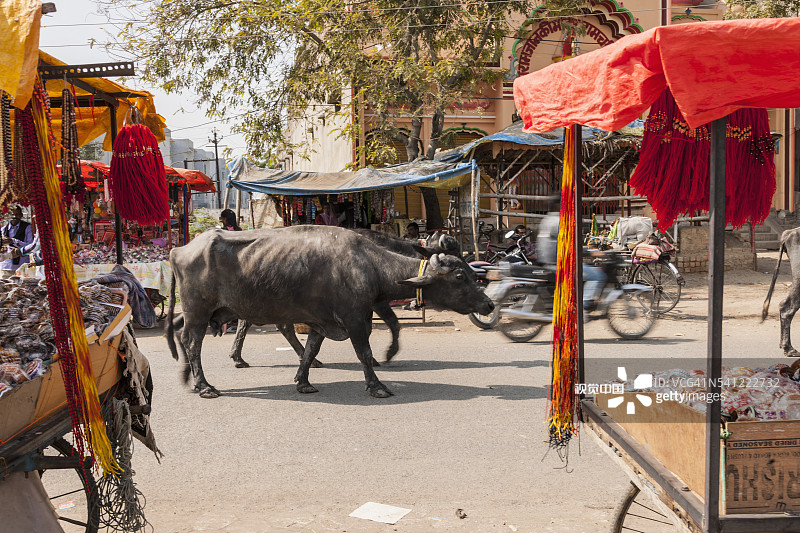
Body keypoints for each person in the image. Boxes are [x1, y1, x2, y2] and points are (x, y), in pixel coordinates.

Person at [535, 196, 606, 311]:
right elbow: (570, 246)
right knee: (597, 276)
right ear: (559, 205)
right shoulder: (560, 221)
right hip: (559, 262)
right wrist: (590, 253)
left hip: (546, 260)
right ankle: (583, 307)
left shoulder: (547, 219)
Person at [0, 205, 33, 279]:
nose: (14, 216)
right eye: (12, 214)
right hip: (6, 267)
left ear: (21, 215)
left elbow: (30, 246)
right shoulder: (3, 229)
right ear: (8, 215)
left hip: (21, 267)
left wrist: (13, 241)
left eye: (17, 214)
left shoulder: (28, 227)